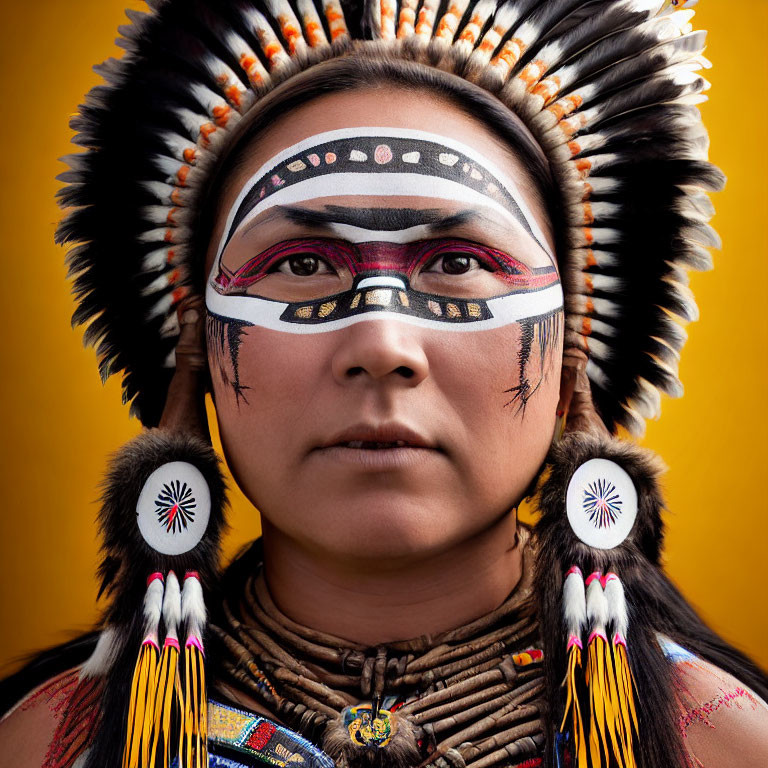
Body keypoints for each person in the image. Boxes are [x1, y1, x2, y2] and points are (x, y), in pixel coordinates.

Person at [0, 1, 766, 767]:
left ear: (576, 337)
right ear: (196, 340)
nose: (381, 344)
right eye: (301, 266)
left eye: (460, 262)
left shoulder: (726, 744)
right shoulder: (46, 745)